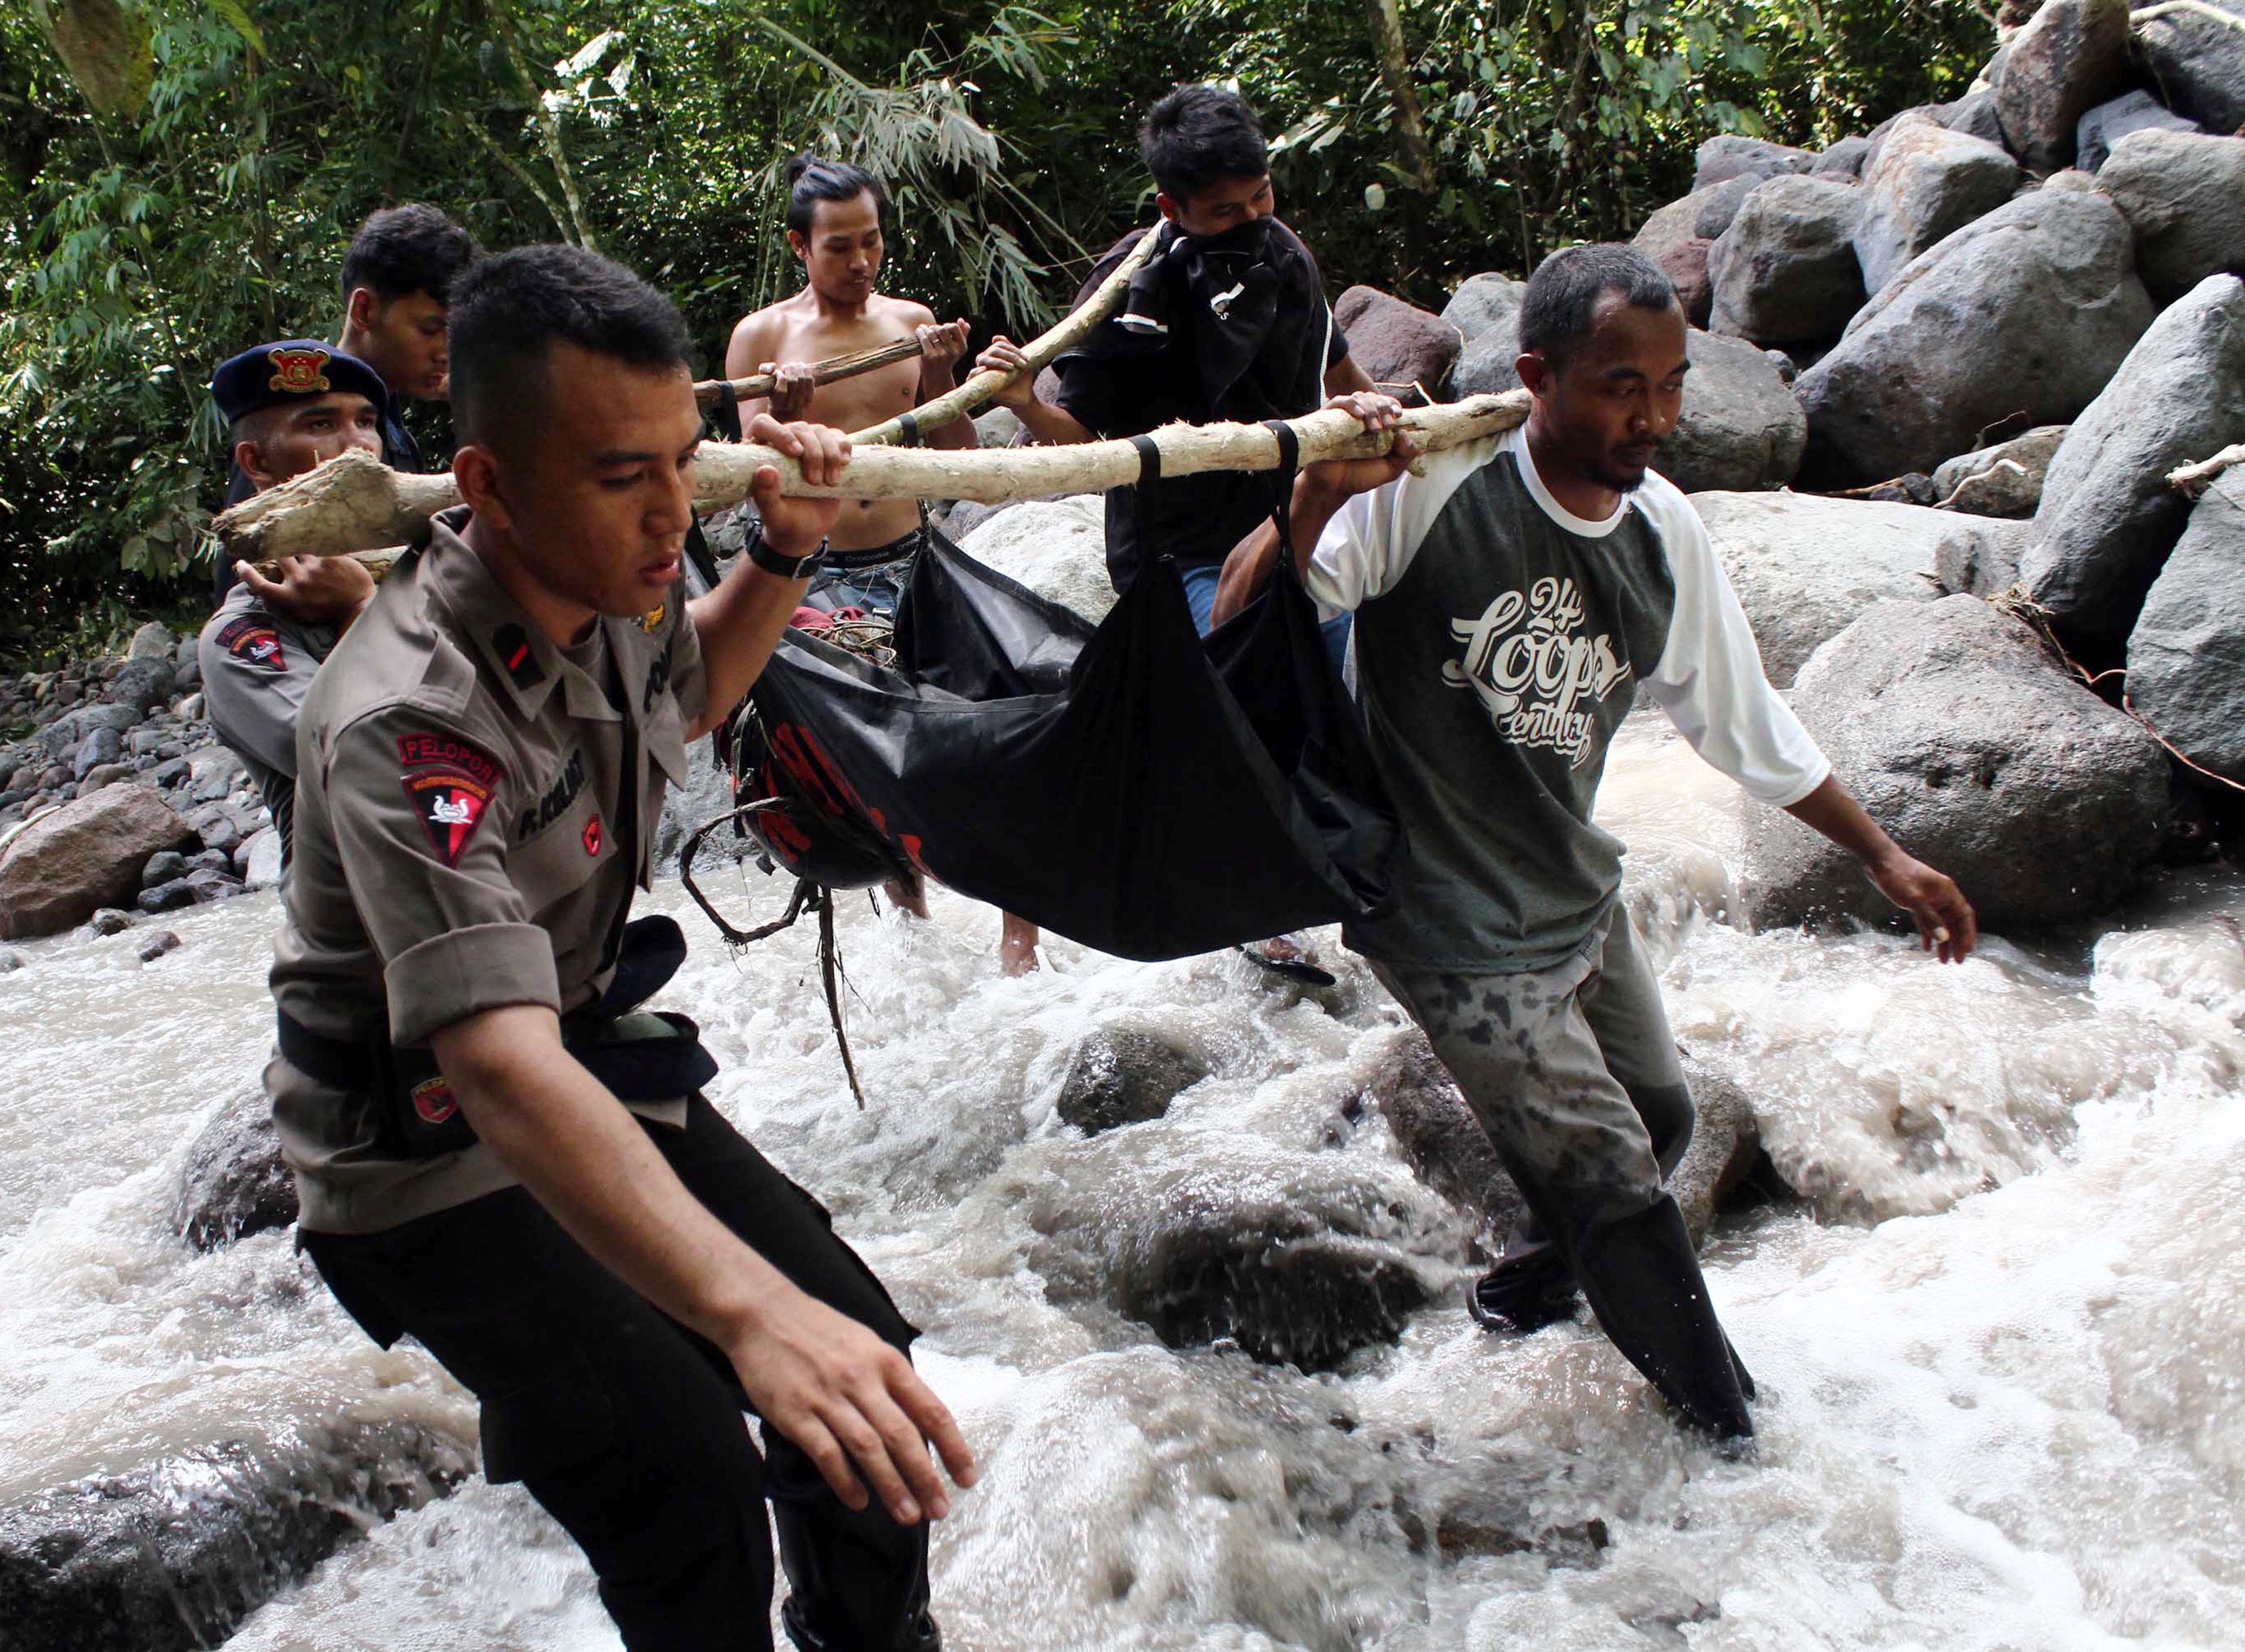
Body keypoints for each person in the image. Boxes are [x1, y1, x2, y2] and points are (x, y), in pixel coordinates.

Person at [266, 243, 974, 1651]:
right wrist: (748, 1316)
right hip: (424, 1150)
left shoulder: (609, 583)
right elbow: (496, 1068)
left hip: (585, 1056)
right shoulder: (409, 717)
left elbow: (692, 685)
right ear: (488, 488)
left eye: (680, 462)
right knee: (689, 1484)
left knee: (866, 1387)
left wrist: (783, 545)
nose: (669, 513)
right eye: (619, 475)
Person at [1212, 243, 1979, 1440]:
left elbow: (1745, 720)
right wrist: (1319, 490)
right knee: (1621, 1183)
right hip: (1442, 915)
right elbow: (1244, 613)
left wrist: (1883, 854)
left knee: (1665, 1120)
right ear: (1538, 376)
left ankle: (1526, 1286)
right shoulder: (1436, 485)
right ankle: (1734, 1440)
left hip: (1568, 890)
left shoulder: (1663, 533)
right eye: (1625, 386)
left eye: (1673, 385)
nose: (1658, 417)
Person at [726, 154, 1043, 975]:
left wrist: (940, 370)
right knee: (874, 757)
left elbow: (961, 459)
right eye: (840, 246)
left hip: (919, 562)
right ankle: (915, 926)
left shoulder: (909, 320)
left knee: (1003, 730)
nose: (861, 262)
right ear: (800, 244)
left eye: (871, 242)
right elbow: (753, 475)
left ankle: (1022, 943)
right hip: (822, 582)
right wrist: (784, 415)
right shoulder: (761, 339)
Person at [974, 84, 1380, 667]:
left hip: (1292, 528)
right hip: (1180, 554)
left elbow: (1339, 369)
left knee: (1334, 683)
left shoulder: (1286, 258)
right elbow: (1088, 441)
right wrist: (1026, 405)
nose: (1252, 219)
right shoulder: (1132, 287)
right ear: (1172, 208)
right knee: (1236, 693)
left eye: (1261, 197)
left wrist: (1390, 420)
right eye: (1226, 211)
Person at [197, 339, 392, 855]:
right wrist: (360, 609)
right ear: (255, 461)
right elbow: (369, 765)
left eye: (367, 422)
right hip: (369, 920)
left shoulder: (429, 568)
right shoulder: (240, 634)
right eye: (321, 426)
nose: (359, 447)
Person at [221, 202, 481, 508]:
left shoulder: (393, 431)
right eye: (429, 329)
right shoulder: (284, 419)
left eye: (456, 332)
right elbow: (252, 540)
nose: (446, 352)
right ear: (365, 310)